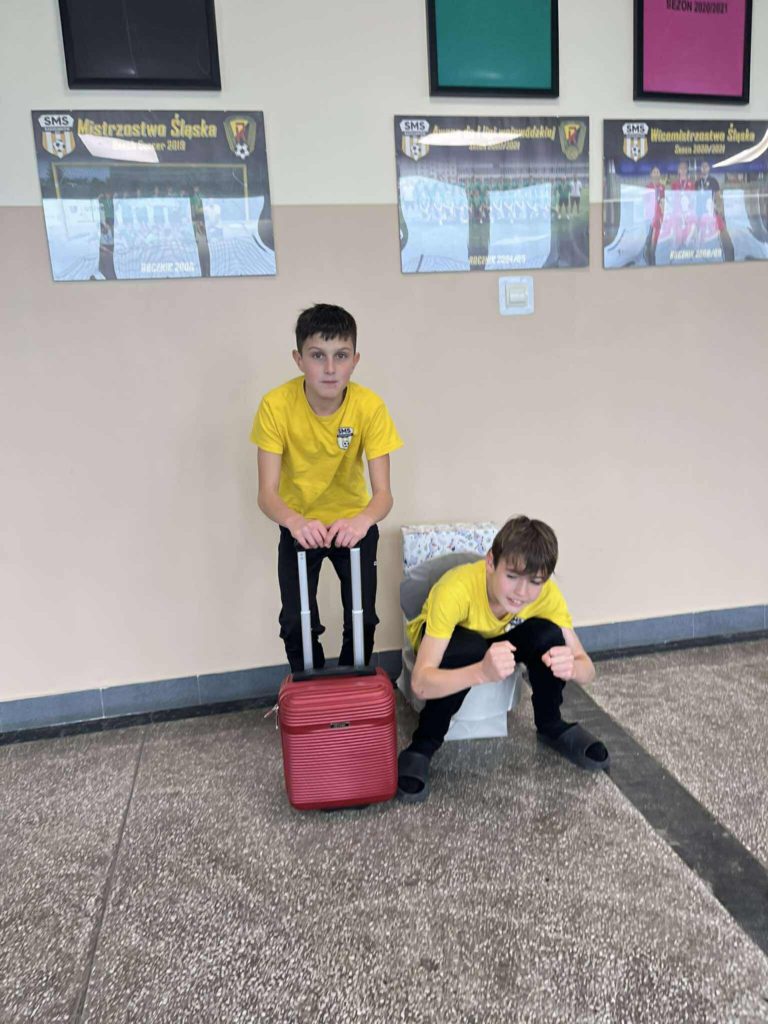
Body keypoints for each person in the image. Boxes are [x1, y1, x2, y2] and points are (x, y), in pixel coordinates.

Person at [397, 516, 608, 803]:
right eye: (511, 577)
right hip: (446, 642)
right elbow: (421, 683)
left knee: (549, 634)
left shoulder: (545, 595)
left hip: (497, 637)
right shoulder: (454, 590)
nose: (522, 593)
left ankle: (551, 724)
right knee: (468, 647)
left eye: (534, 581)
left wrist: (572, 667)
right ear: (490, 562)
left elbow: (587, 667)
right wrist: (481, 672)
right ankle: (422, 745)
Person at [252, 304, 403, 671]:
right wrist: (295, 522)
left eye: (341, 356)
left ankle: (353, 688)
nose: (331, 368)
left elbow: (383, 494)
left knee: (363, 619)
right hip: (300, 524)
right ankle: (310, 690)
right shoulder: (275, 406)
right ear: (299, 359)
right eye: (318, 356)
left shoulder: (369, 407)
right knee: (295, 622)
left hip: (353, 523)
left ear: (355, 360)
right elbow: (267, 493)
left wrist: (362, 521)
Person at [696, 161, 734, 262]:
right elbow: (695, 197)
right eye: (702, 167)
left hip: (712, 211)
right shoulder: (697, 182)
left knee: (719, 232)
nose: (704, 168)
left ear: (709, 168)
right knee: (702, 235)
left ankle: (725, 255)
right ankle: (702, 256)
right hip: (701, 213)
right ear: (700, 169)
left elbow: (718, 196)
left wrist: (719, 209)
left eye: (706, 166)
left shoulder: (713, 181)